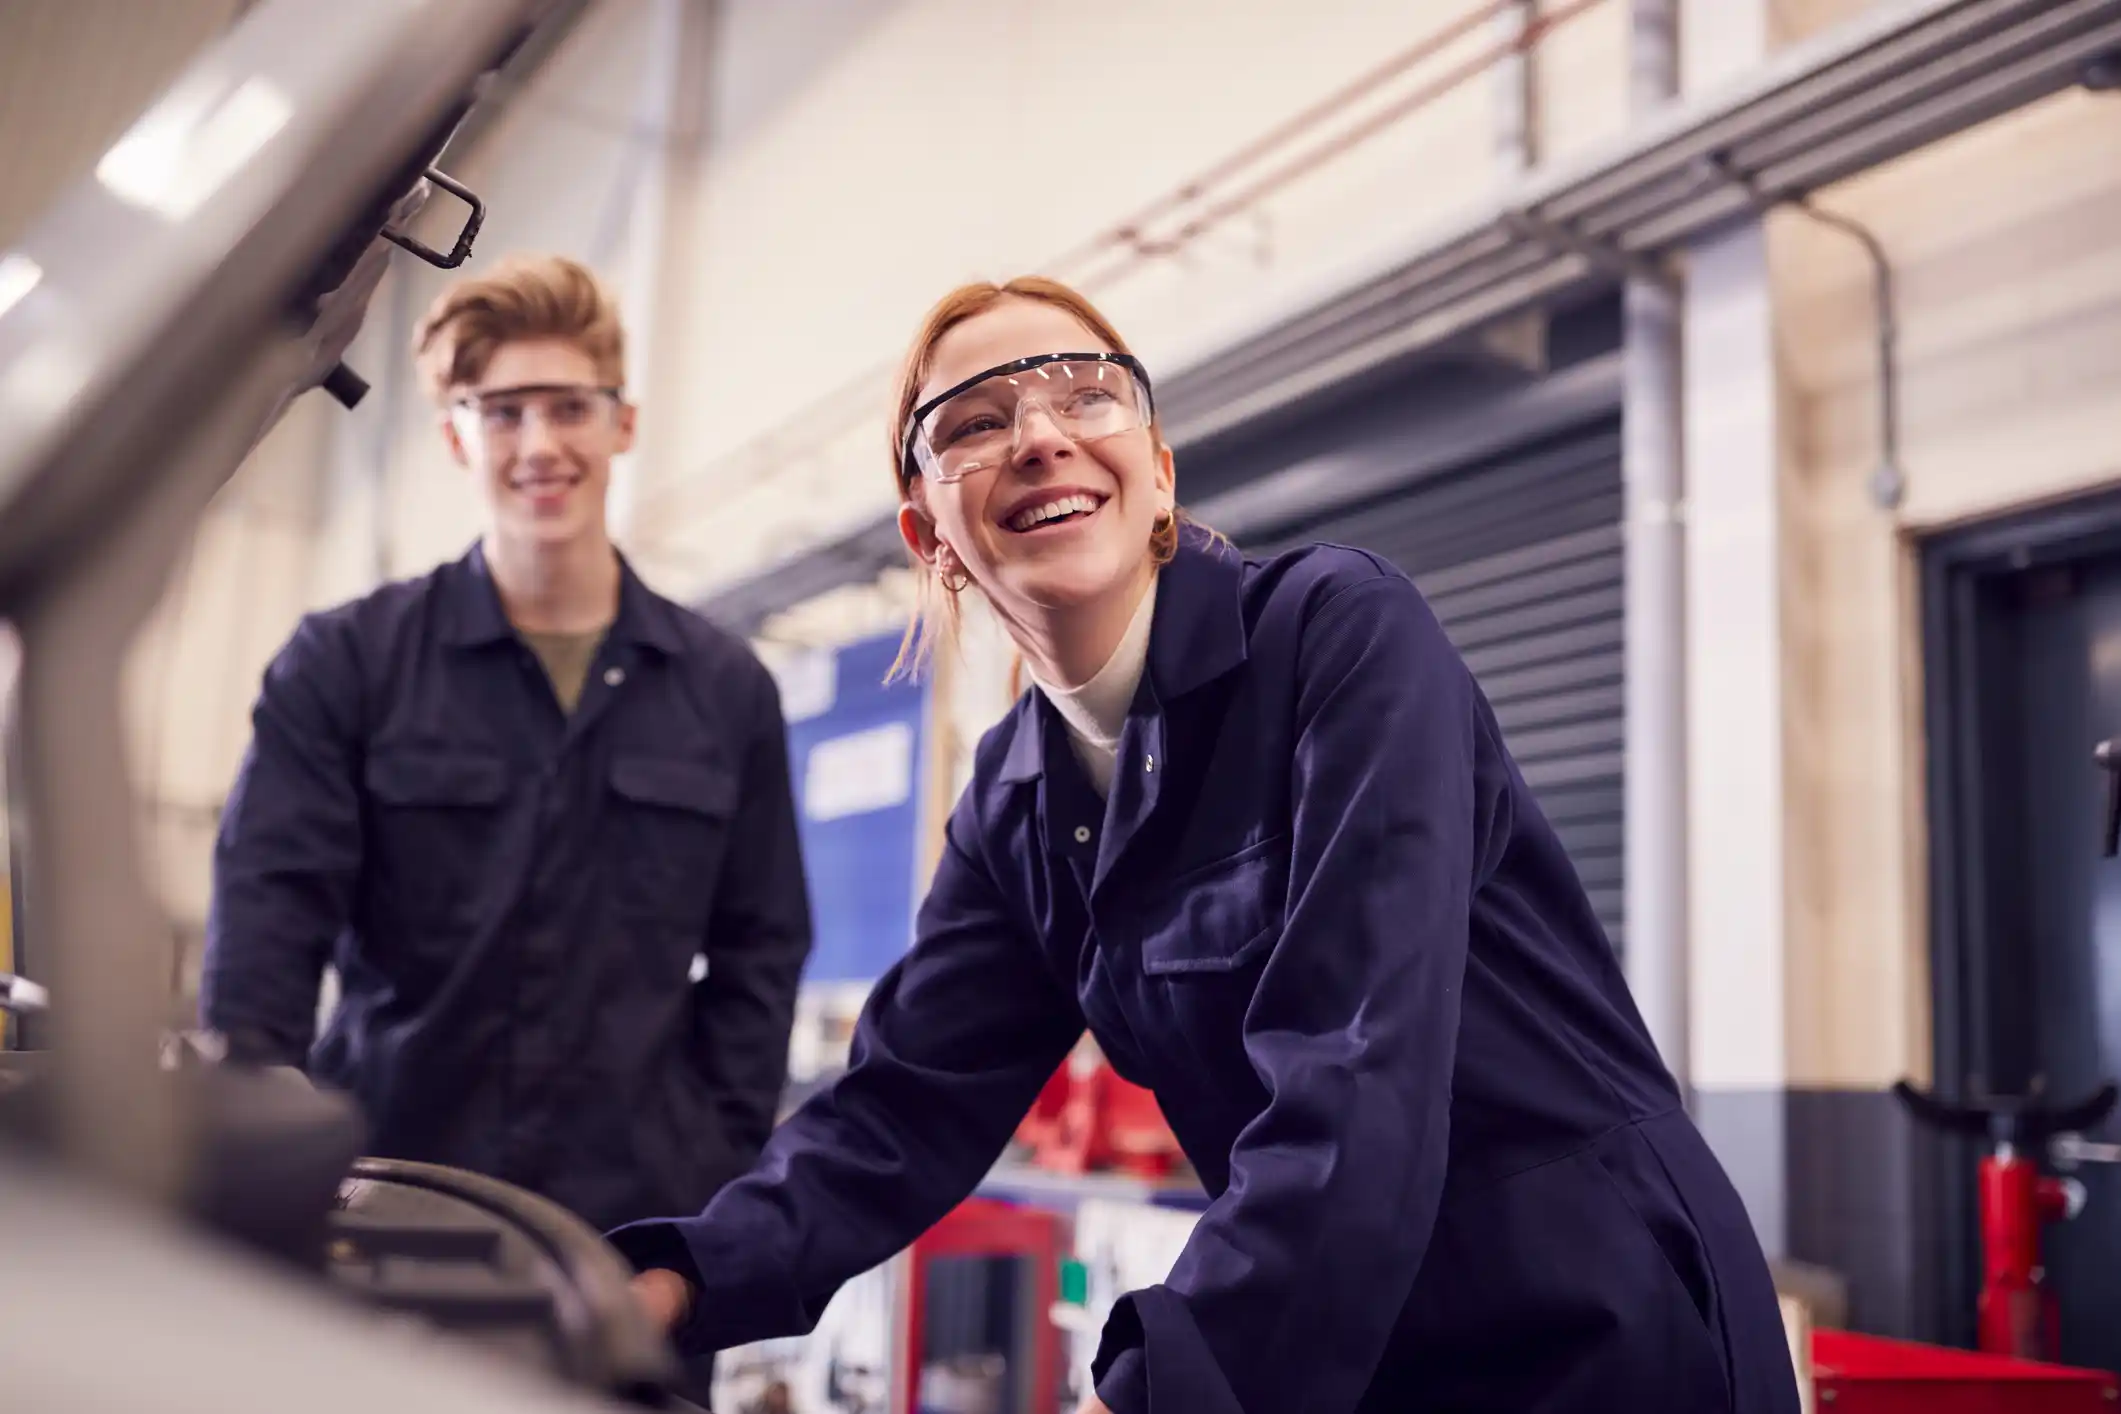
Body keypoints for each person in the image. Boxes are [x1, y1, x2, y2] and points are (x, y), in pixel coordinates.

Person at [608, 275, 1801, 1414]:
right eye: (974, 420)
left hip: (1593, 1314)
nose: (1040, 435)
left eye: (1086, 393)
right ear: (932, 536)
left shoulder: (1337, 635)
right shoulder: (1017, 802)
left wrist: (1163, 1381)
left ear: (1160, 475)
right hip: (1354, 1345)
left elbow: (1357, 1061)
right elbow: (898, 1112)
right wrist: (675, 1281)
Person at [199, 253, 813, 1290]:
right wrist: (266, 1177)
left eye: (569, 407)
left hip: (630, 1246)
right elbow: (263, 942)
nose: (540, 445)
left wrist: (705, 1168)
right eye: (503, 412)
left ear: (621, 422)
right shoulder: (346, 664)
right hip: (382, 1221)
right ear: (455, 435)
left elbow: (761, 952)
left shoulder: (725, 689)